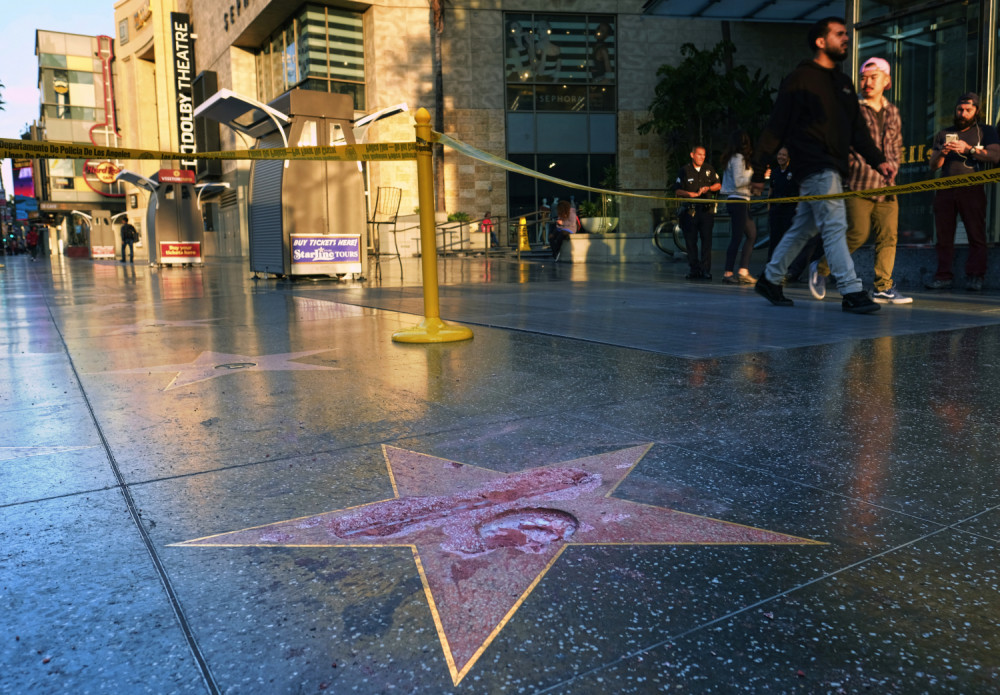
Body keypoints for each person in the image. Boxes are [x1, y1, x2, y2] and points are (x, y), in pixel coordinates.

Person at [750, 16, 895, 314]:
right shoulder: (799, 79)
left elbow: (857, 131)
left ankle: (770, 278)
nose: (846, 39)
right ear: (820, 41)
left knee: (804, 226)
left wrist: (879, 161)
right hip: (815, 164)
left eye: (847, 34)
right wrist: (758, 170)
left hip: (833, 166)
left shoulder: (843, 84)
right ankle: (852, 290)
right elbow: (776, 126)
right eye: (839, 34)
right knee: (834, 225)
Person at [808, 57, 909, 304]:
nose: (867, 82)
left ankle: (882, 286)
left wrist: (893, 167)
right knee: (857, 233)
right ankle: (820, 269)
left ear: (887, 81)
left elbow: (896, 146)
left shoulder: (893, 112)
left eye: (873, 77)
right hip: (859, 183)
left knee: (889, 237)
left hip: (887, 185)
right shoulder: (852, 109)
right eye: (863, 77)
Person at [925, 92, 1000, 291]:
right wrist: (943, 151)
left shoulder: (985, 131)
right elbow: (933, 165)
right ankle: (943, 276)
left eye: (968, 109)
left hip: (972, 188)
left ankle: (976, 276)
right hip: (945, 188)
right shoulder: (943, 133)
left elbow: (995, 156)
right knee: (943, 236)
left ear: (976, 111)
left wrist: (969, 149)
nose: (963, 113)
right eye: (960, 109)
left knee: (976, 233)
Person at [675, 144, 721, 280]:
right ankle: (694, 269)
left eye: (703, 155)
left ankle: (706, 269)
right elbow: (677, 190)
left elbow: (718, 184)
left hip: (706, 210)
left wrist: (709, 188)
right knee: (691, 241)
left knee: (706, 241)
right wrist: (690, 194)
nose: (702, 157)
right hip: (690, 210)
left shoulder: (709, 169)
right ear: (692, 155)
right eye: (699, 154)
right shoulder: (684, 170)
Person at [720, 130, 758, 284]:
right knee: (737, 237)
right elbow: (738, 181)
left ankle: (743, 270)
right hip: (738, 201)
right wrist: (754, 177)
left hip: (741, 200)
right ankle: (728, 273)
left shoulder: (737, 158)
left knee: (752, 234)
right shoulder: (737, 158)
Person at [766, 147, 798, 262]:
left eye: (784, 155)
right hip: (775, 210)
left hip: (789, 210)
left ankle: (787, 266)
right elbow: (771, 189)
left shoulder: (793, 172)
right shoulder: (775, 172)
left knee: (788, 239)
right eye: (779, 154)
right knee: (774, 239)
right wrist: (769, 207)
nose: (781, 157)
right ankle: (770, 264)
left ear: (788, 157)